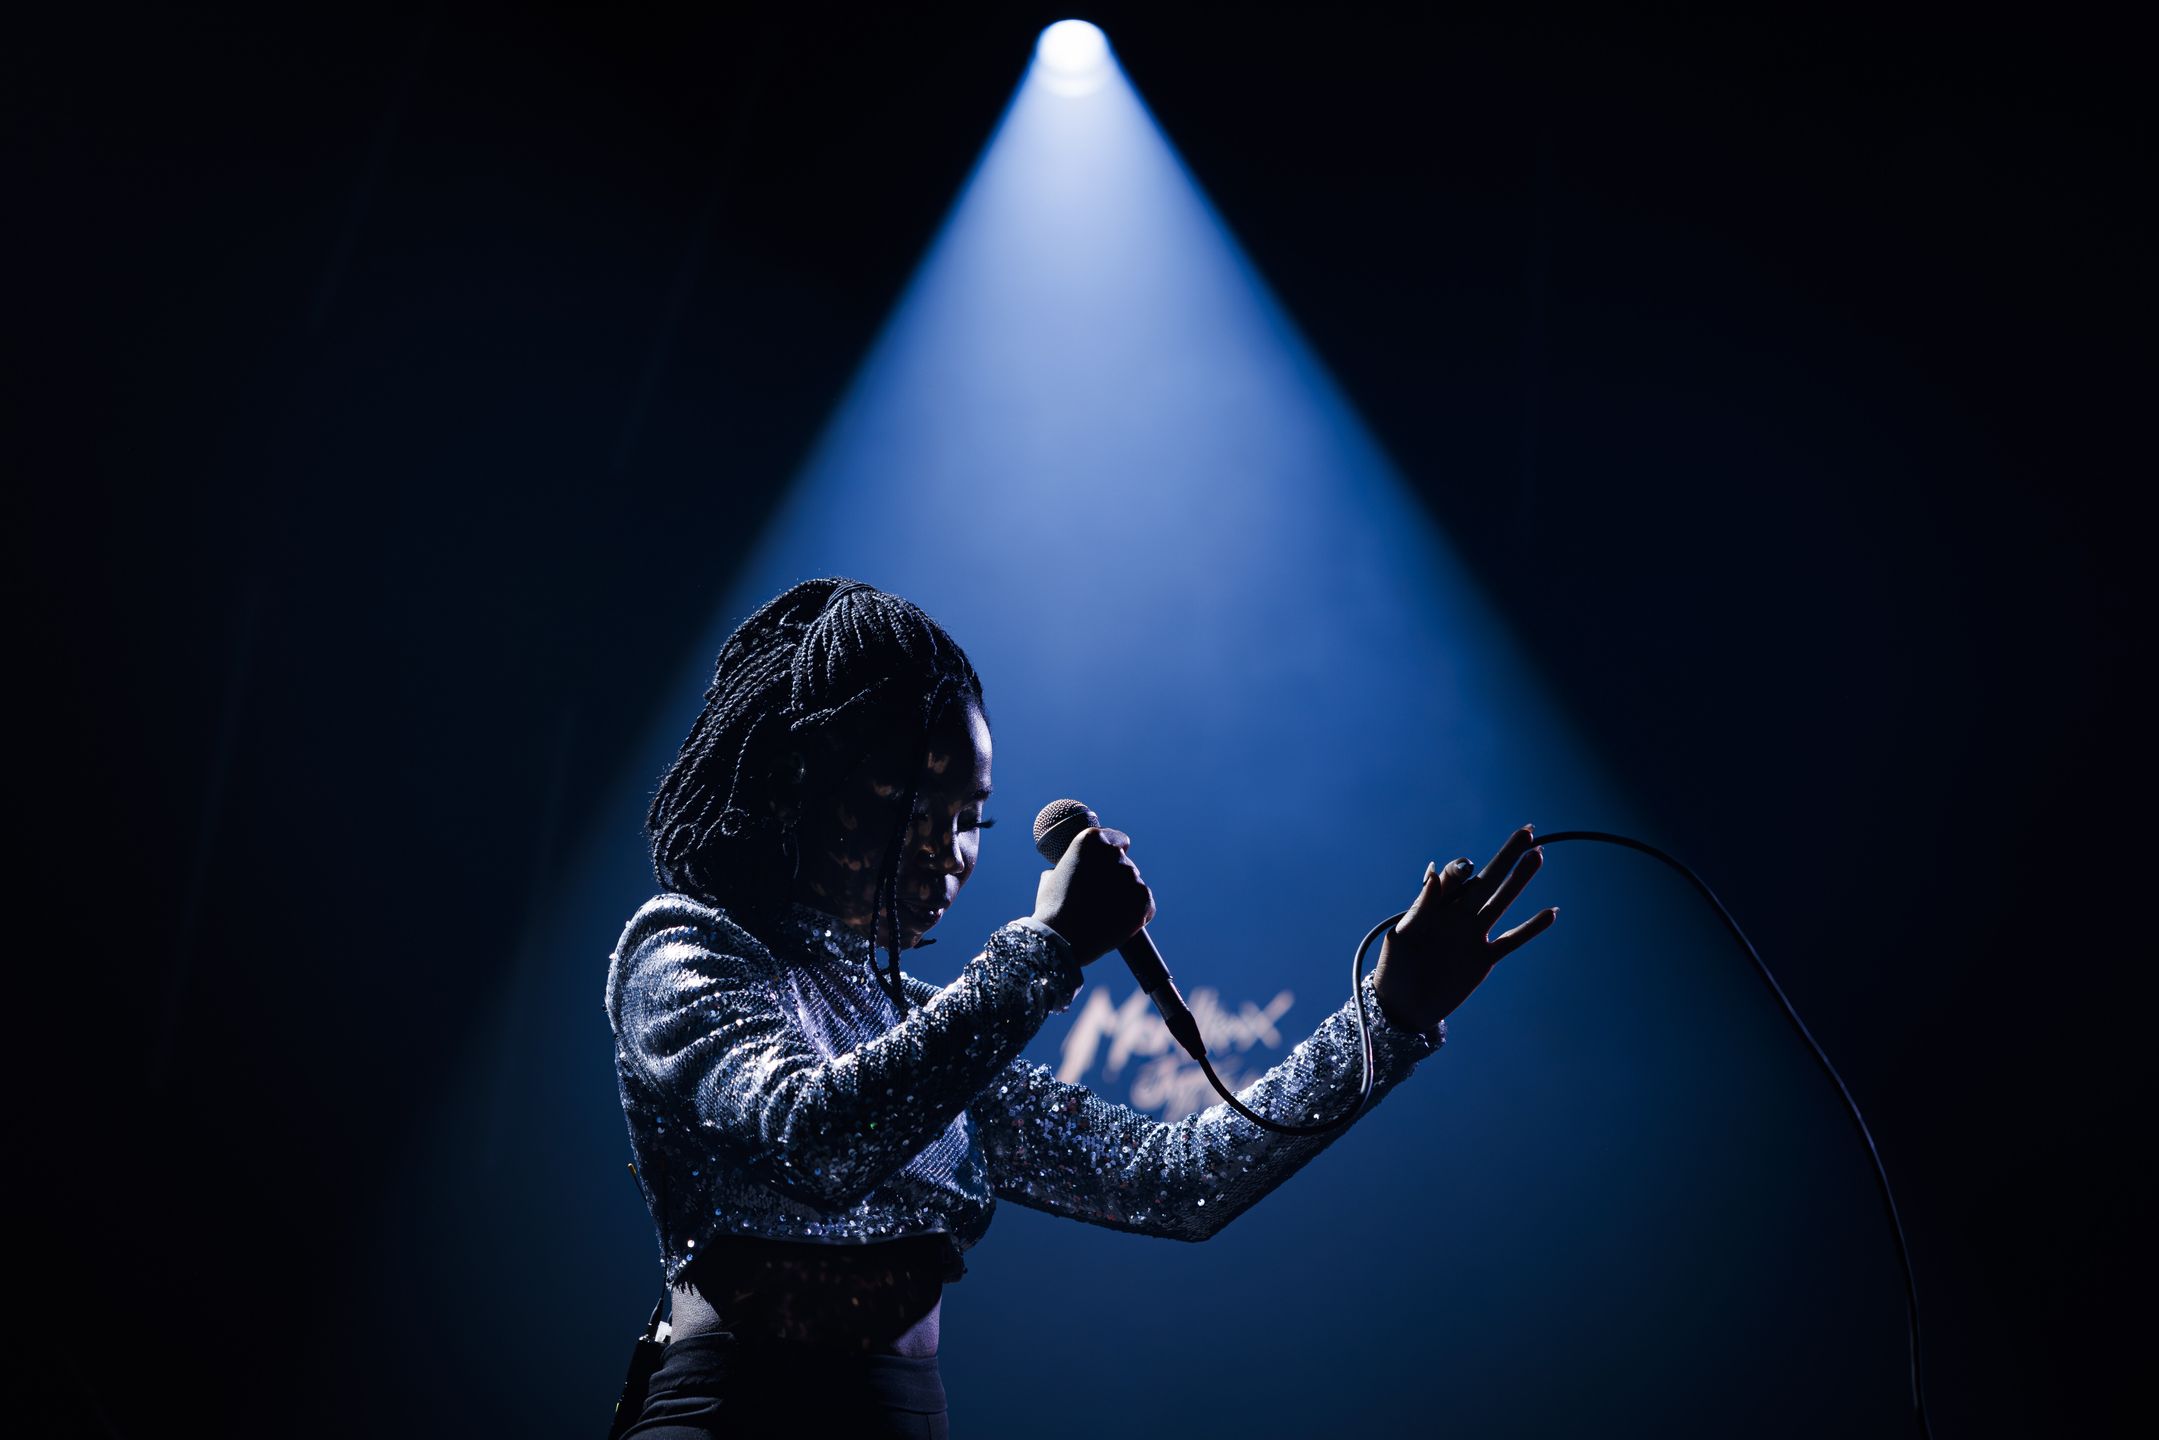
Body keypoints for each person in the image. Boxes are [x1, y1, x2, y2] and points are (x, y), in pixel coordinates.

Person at [604, 577, 1556, 1437]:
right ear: (795, 778)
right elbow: (812, 1139)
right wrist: (1046, 950)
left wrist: (1384, 1018)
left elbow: (1170, 1182)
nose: (949, 852)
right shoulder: (687, 948)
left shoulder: (929, 1028)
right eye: (905, 800)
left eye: (969, 819)